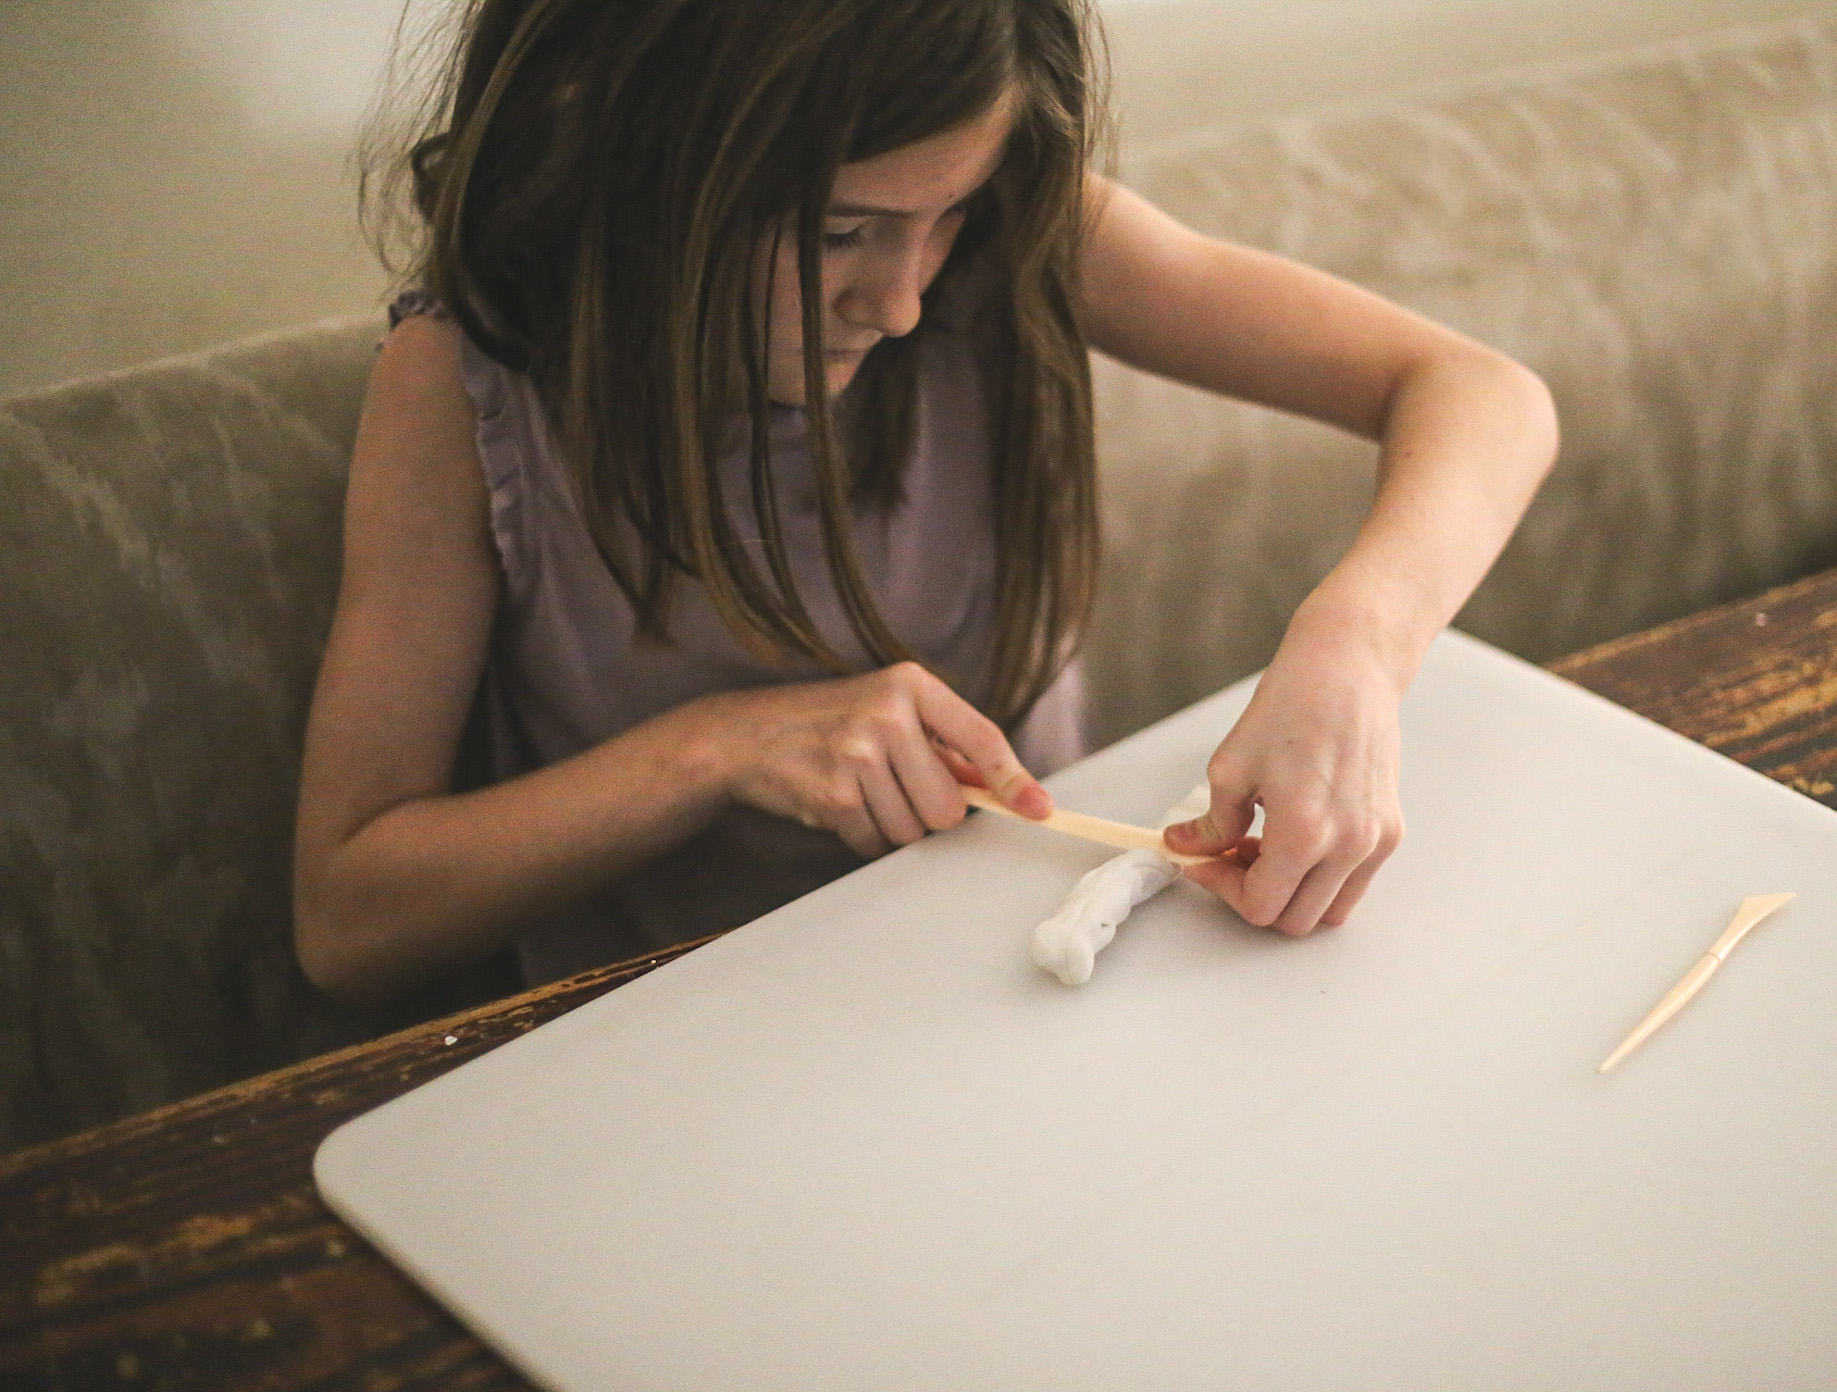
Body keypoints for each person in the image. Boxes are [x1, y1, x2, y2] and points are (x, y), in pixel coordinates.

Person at [293, 0, 1558, 1007]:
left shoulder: (1022, 241)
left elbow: (1480, 395)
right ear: (644, 167)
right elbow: (347, 921)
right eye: (842, 231)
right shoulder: (466, 386)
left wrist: (1349, 651)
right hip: (688, 1050)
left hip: (1040, 986)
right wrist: (718, 749)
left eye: (944, 217)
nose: (899, 303)